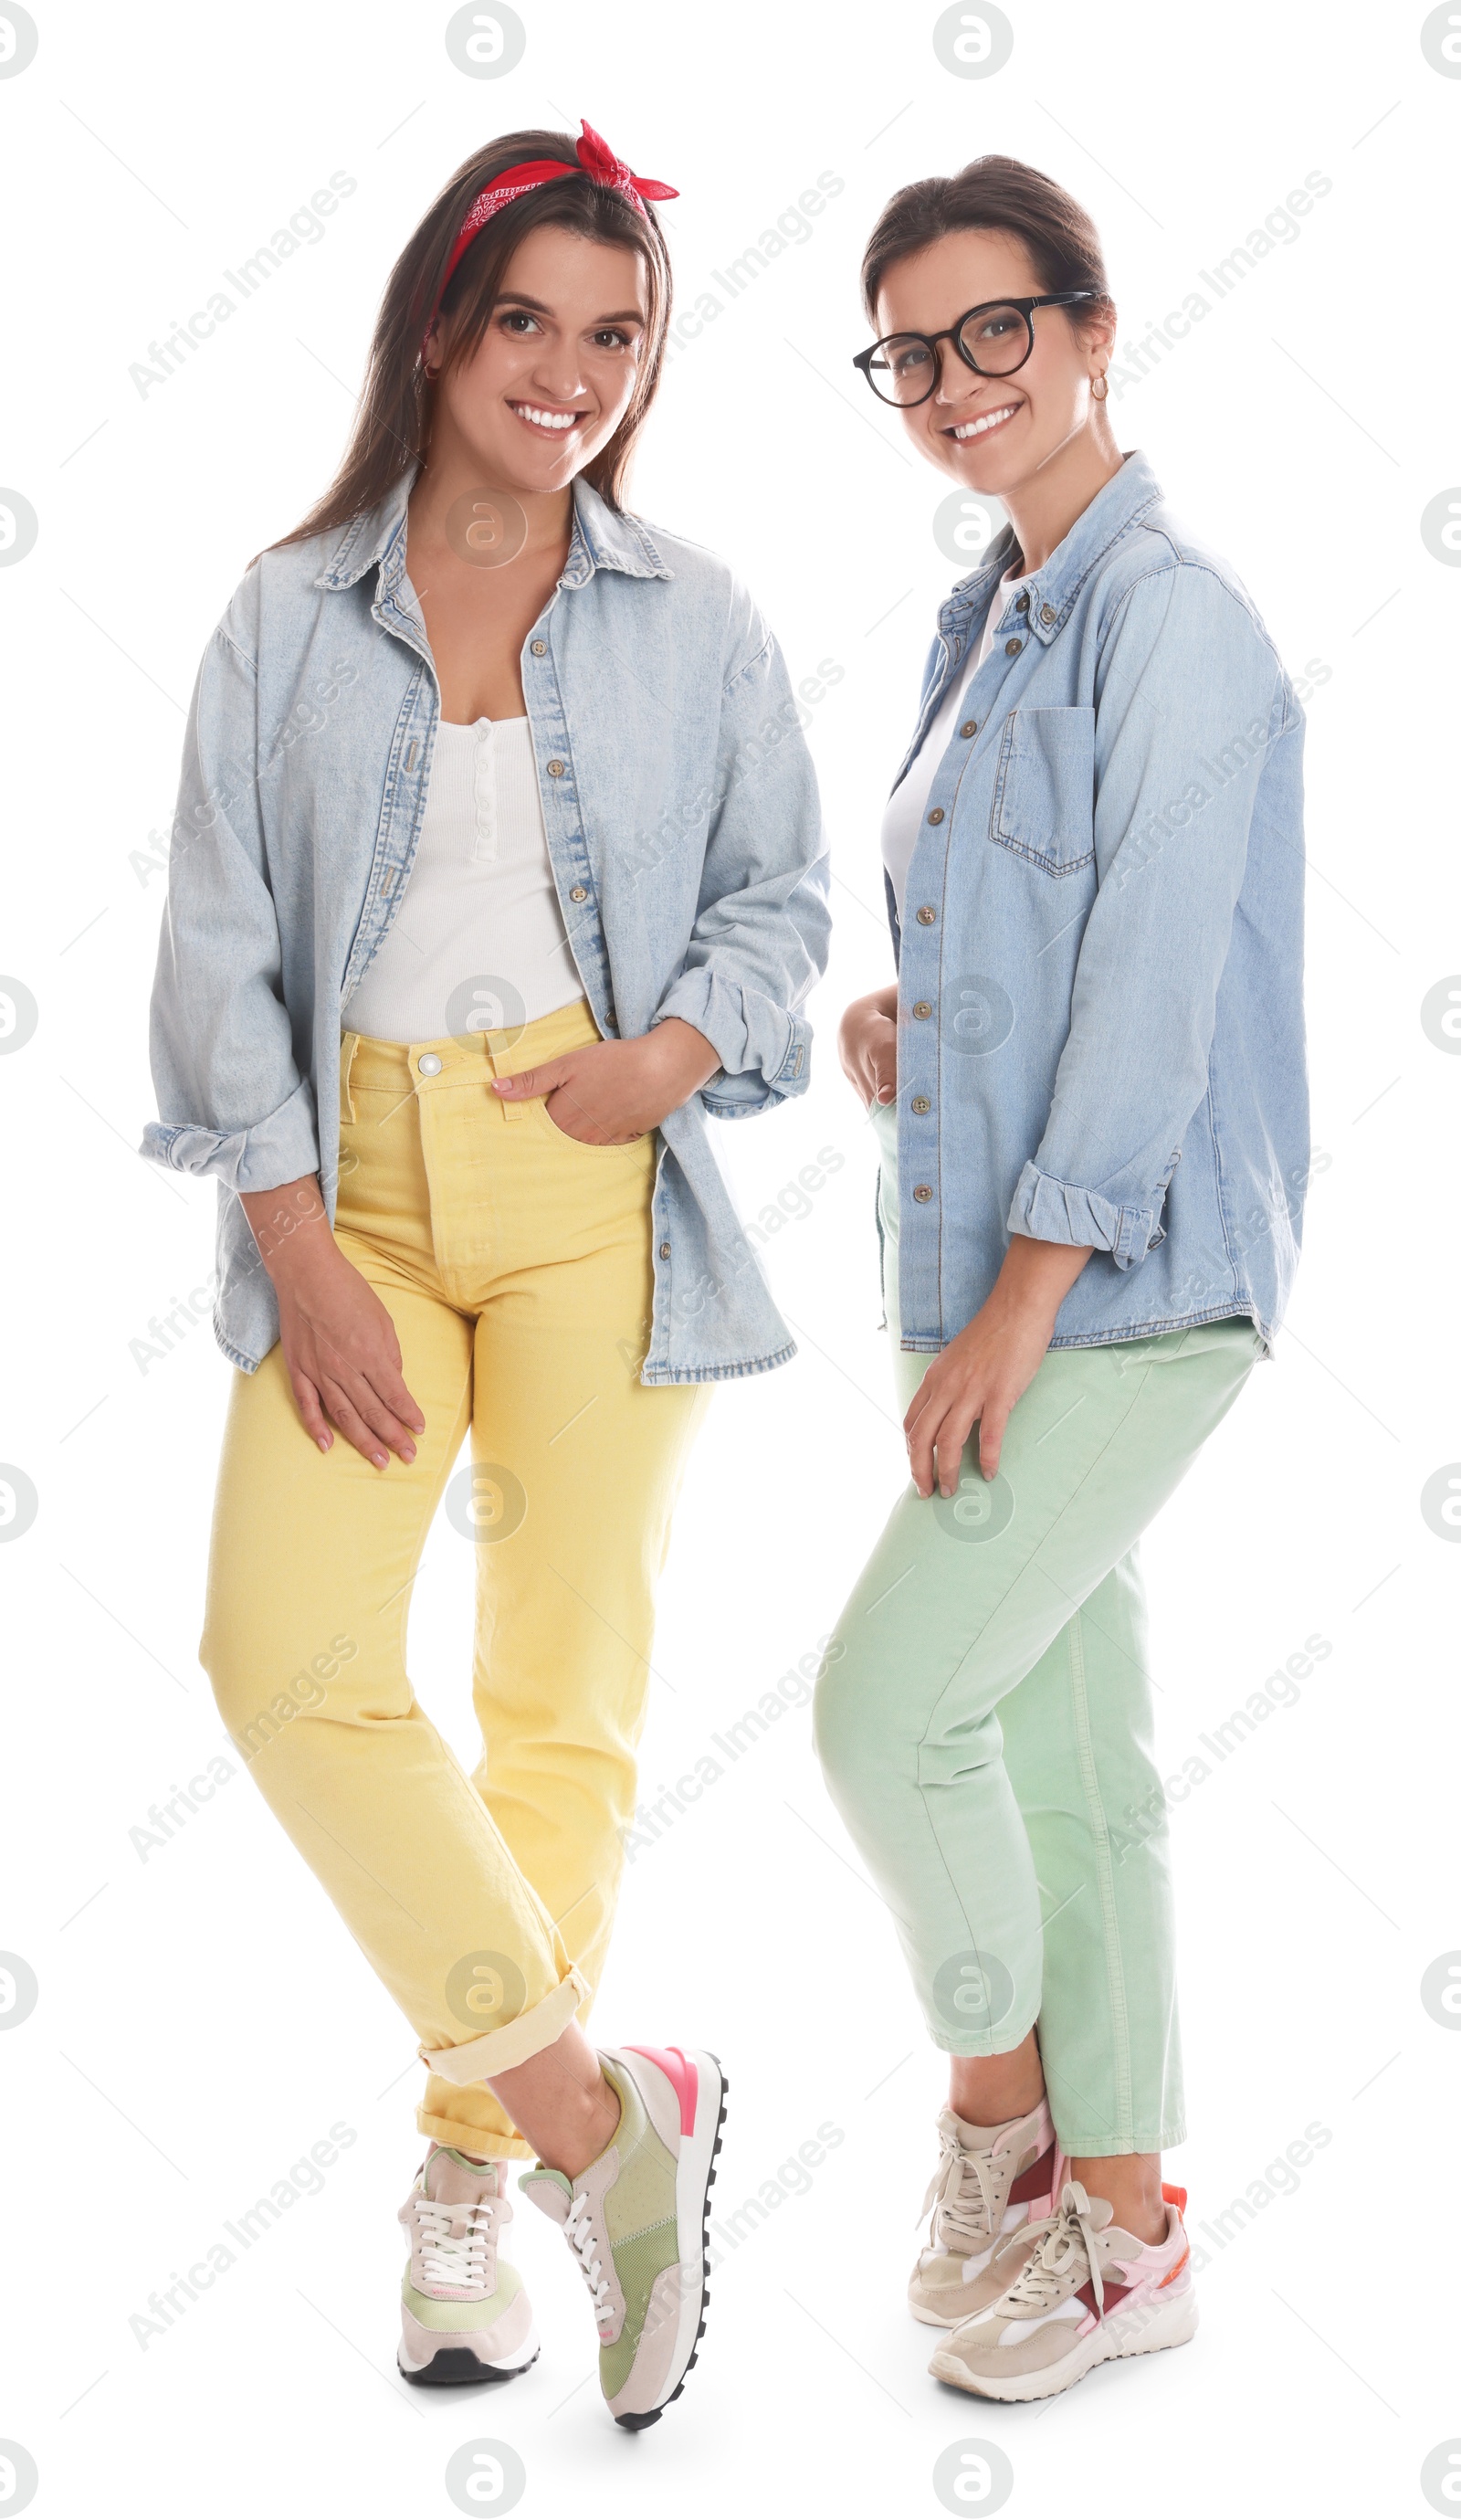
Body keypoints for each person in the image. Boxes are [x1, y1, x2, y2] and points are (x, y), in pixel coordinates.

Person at [142, 120, 828, 2428]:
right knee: (285, 1657)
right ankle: (589, 2114)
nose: (567, 373)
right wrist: (287, 1234)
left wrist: (672, 1054)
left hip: (583, 1175)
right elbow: (219, 954)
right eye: (524, 320)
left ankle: (465, 2199)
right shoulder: (283, 611)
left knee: (562, 1706)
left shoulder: (694, 617)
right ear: (439, 329)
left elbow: (781, 907)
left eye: (614, 333)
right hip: (352, 1192)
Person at [817, 154, 1307, 2403]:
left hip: (1115, 1294)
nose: (947, 383)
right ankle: (1126, 2232)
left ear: (1089, 326)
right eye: (907, 352)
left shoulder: (1166, 615)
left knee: (879, 1712)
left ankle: (1002, 2143)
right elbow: (1038, 958)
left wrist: (1019, 1299)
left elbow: (1153, 1014)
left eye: (987, 329)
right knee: (1053, 1748)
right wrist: (916, 1037)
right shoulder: (983, 625)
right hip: (996, 1270)